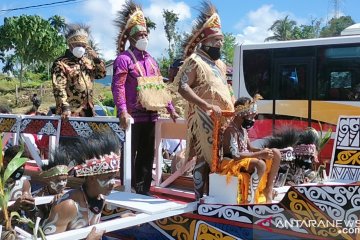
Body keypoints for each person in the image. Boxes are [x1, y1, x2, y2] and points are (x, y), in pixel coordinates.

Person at [112, 0, 178, 195]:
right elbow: (118, 87)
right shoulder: (123, 59)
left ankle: (143, 189)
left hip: (151, 115)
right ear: (131, 38)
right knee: (130, 154)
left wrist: (171, 108)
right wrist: (123, 111)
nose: (144, 37)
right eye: (140, 35)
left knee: (148, 154)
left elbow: (159, 87)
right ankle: (128, 189)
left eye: (145, 34)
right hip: (132, 117)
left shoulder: (152, 60)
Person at [172, 1, 235, 200]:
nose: (220, 44)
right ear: (205, 41)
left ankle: (216, 196)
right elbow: (182, 87)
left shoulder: (221, 64)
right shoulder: (195, 61)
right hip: (203, 116)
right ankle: (200, 198)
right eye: (216, 40)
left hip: (223, 116)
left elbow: (226, 87)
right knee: (205, 157)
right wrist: (206, 104)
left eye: (221, 40)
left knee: (222, 156)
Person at [42, 131, 122, 238]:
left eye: (114, 177)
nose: (113, 183)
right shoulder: (68, 206)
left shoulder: (100, 198)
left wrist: (119, 220)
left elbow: (91, 225)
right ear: (92, 178)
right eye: (108, 178)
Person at [221, 96, 281, 203]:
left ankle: (268, 190)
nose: (253, 119)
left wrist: (266, 151)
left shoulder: (243, 129)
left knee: (276, 153)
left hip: (245, 158)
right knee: (260, 164)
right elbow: (235, 155)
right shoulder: (231, 131)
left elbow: (250, 148)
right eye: (251, 116)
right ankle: (250, 200)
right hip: (232, 162)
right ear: (241, 114)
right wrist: (260, 154)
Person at [52, 24, 106, 119]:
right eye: (78, 45)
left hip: (88, 111)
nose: (81, 48)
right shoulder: (61, 63)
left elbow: (101, 75)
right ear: (70, 44)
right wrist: (65, 107)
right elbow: (59, 87)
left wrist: (97, 60)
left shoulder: (87, 62)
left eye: (83, 46)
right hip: (69, 112)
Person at [32, 147, 69, 223]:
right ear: (48, 180)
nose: (62, 184)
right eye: (58, 180)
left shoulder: (70, 195)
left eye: (64, 180)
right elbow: (36, 218)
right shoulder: (39, 196)